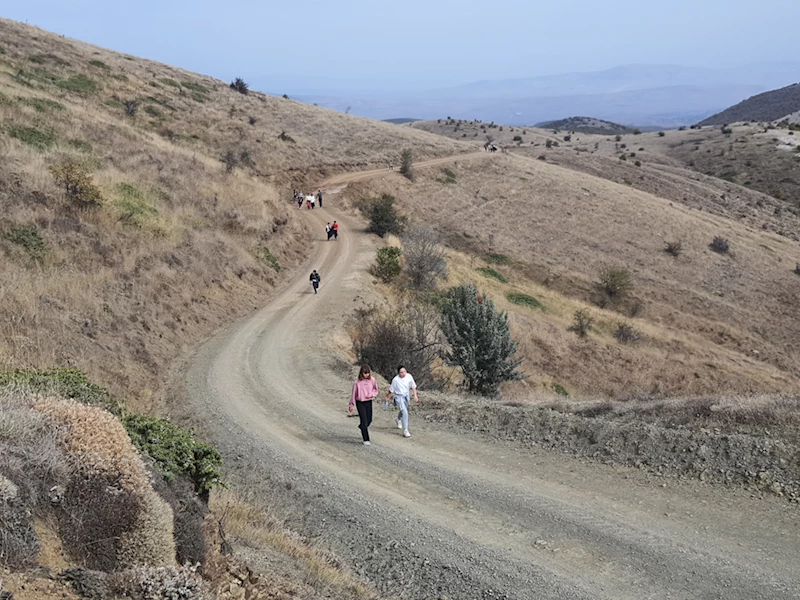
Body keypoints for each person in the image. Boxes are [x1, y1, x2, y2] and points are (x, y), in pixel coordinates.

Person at [349, 364, 379, 445]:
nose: (366, 375)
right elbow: (353, 394)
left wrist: (372, 394)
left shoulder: (372, 380)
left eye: (368, 373)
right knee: (364, 420)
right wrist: (351, 405)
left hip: (368, 401)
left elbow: (376, 390)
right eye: (364, 373)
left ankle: (362, 427)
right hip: (360, 402)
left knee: (369, 420)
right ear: (361, 373)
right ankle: (366, 439)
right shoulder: (357, 383)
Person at [385, 365, 418, 438]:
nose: (403, 374)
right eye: (401, 372)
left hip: (406, 395)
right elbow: (391, 390)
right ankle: (405, 430)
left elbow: (413, 386)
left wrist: (415, 395)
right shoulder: (395, 380)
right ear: (398, 373)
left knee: (404, 410)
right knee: (405, 412)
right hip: (399, 397)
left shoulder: (409, 376)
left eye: (404, 372)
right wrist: (388, 398)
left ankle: (398, 419)